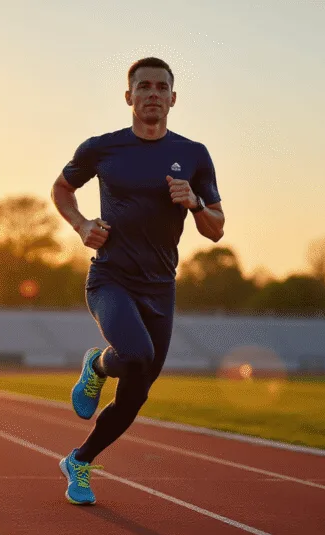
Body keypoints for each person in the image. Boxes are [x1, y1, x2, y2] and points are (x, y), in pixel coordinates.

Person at [50, 57, 226, 505]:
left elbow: (216, 228)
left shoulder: (194, 155)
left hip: (160, 287)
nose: (152, 93)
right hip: (110, 278)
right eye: (142, 86)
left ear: (173, 98)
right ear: (129, 97)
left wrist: (195, 204)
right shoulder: (102, 148)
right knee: (133, 353)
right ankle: (97, 364)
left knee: (135, 396)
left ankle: (80, 461)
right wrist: (80, 225)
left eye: (160, 87)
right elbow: (62, 188)